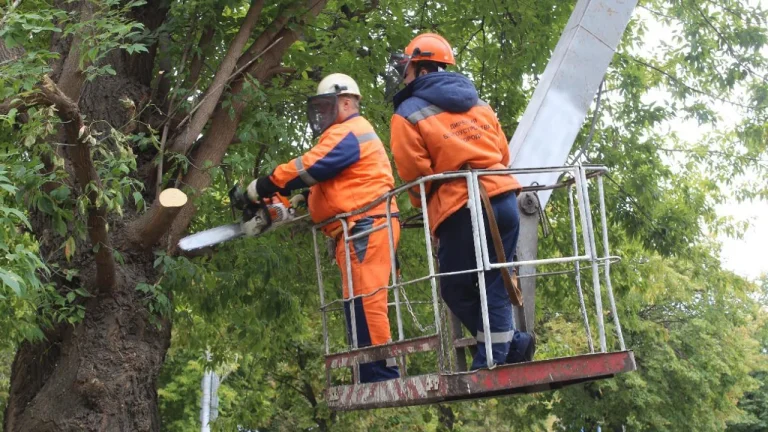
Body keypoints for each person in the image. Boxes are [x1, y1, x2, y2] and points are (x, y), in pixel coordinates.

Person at [387, 33, 534, 369]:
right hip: (504, 200)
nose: (404, 78)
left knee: (454, 288)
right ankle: (510, 345)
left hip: (460, 209)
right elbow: (503, 155)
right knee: (495, 281)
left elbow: (416, 174)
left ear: (423, 69)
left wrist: (430, 215)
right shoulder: (480, 105)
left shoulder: (407, 113)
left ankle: (493, 358)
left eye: (407, 70)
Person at [241, 73, 400, 383]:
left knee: (367, 301)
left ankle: (380, 370)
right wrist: (300, 199)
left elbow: (310, 167)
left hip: (366, 224)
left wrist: (262, 185)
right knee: (356, 303)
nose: (322, 115)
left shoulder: (350, 132)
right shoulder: (346, 136)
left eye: (327, 106)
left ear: (345, 101)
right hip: (357, 227)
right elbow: (329, 180)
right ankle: (368, 369)